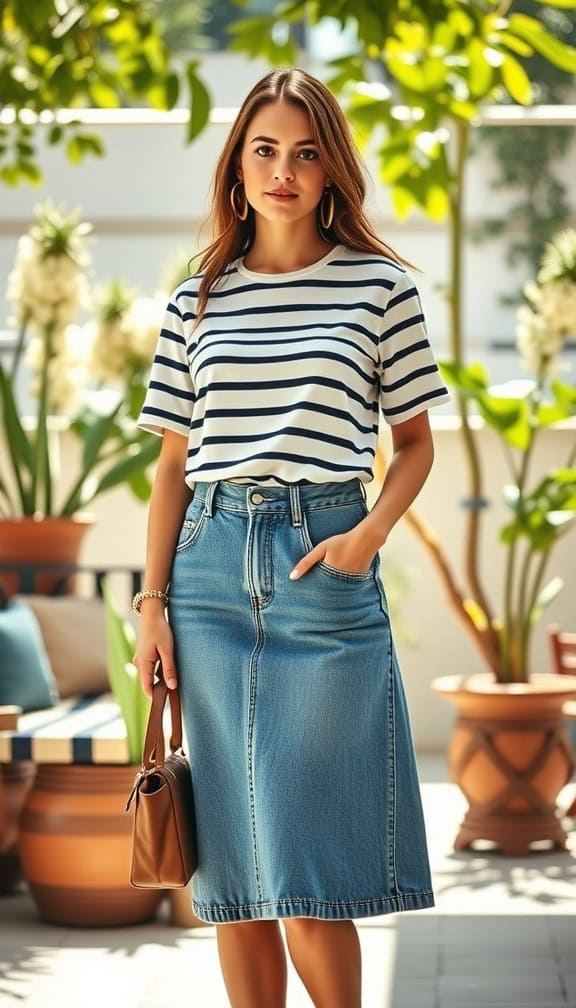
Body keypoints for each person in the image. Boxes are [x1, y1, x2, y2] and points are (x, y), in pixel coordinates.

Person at [133, 67, 449, 1008]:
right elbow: (170, 474)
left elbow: (417, 444)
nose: (283, 171)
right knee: (232, 880)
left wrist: (366, 539)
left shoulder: (381, 289)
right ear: (238, 166)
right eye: (264, 150)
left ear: (330, 171)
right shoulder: (197, 298)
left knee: (307, 871)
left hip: (325, 567)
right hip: (208, 576)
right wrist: (151, 607)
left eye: (305, 153)